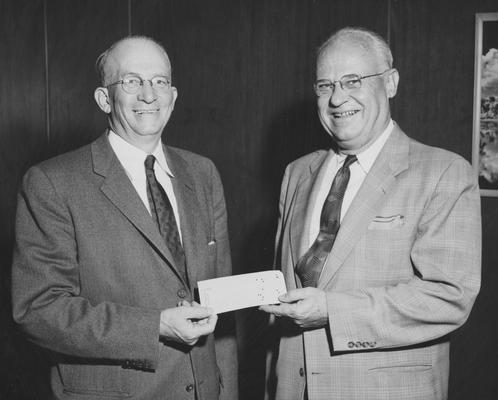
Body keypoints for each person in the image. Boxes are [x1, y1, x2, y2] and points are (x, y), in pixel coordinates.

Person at [261, 26, 481, 400]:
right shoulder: (297, 173)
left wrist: (331, 310)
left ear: (391, 82)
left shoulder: (444, 172)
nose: (337, 98)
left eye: (353, 81)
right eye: (325, 85)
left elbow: (449, 296)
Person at [12, 36, 237, 400]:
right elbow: (37, 310)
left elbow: (222, 306)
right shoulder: (52, 182)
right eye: (131, 81)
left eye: (159, 81)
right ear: (104, 98)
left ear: (173, 96)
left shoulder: (202, 173)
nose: (148, 95)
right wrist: (155, 326)